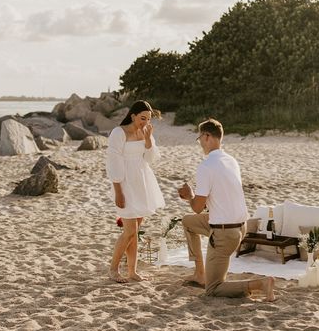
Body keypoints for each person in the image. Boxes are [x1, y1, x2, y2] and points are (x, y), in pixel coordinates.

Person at [178, 118, 275, 301]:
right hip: (240, 227)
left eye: (199, 139)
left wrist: (190, 196)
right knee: (188, 222)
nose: (200, 144)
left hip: (224, 233)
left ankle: (260, 284)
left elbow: (198, 208)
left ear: (206, 137)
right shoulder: (231, 161)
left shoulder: (206, 166)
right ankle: (200, 273)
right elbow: (218, 199)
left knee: (213, 289)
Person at [106, 100, 165, 283]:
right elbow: (113, 161)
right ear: (132, 115)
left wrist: (148, 140)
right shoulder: (119, 132)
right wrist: (118, 191)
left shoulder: (146, 132)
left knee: (135, 230)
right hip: (125, 183)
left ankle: (132, 271)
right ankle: (113, 269)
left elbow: (150, 159)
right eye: (142, 118)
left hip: (143, 182)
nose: (145, 122)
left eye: (148, 119)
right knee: (129, 230)